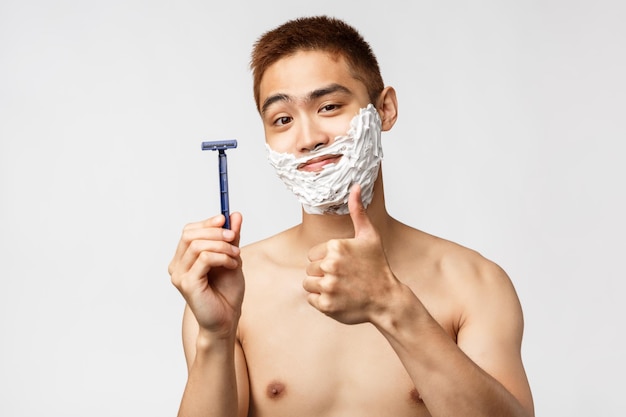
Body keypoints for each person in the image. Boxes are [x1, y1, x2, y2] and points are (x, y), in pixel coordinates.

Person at [168, 15, 534, 417]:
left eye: (328, 106)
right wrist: (216, 336)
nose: (308, 139)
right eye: (283, 120)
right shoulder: (235, 287)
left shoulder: (473, 284)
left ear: (385, 109)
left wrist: (392, 306)